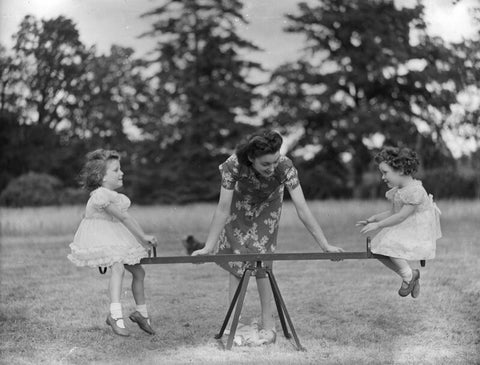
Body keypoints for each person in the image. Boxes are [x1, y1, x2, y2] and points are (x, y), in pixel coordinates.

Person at [192, 129, 344, 344]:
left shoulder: (285, 166)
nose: (272, 168)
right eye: (266, 164)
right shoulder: (233, 165)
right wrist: (208, 247)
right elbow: (222, 208)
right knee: (237, 260)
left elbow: (302, 208)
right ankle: (234, 322)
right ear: (251, 158)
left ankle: (268, 324)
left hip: (268, 204)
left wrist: (324, 244)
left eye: (274, 162)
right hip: (240, 203)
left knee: (262, 258)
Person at [68, 149, 158, 337]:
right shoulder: (100, 194)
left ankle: (141, 314)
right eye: (116, 170)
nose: (121, 173)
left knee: (139, 272)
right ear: (101, 176)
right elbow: (124, 218)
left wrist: (141, 240)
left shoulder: (113, 196)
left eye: (120, 169)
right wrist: (143, 237)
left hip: (115, 235)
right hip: (101, 236)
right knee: (118, 267)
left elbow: (125, 218)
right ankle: (115, 316)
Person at [357, 147, 441, 298]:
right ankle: (410, 275)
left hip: (417, 231)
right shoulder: (399, 190)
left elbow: (401, 216)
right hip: (406, 226)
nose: (382, 177)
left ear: (401, 170)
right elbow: (393, 212)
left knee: (388, 243)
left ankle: (409, 276)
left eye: (385, 172)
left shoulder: (415, 191)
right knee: (377, 249)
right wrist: (374, 218)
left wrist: (378, 225)